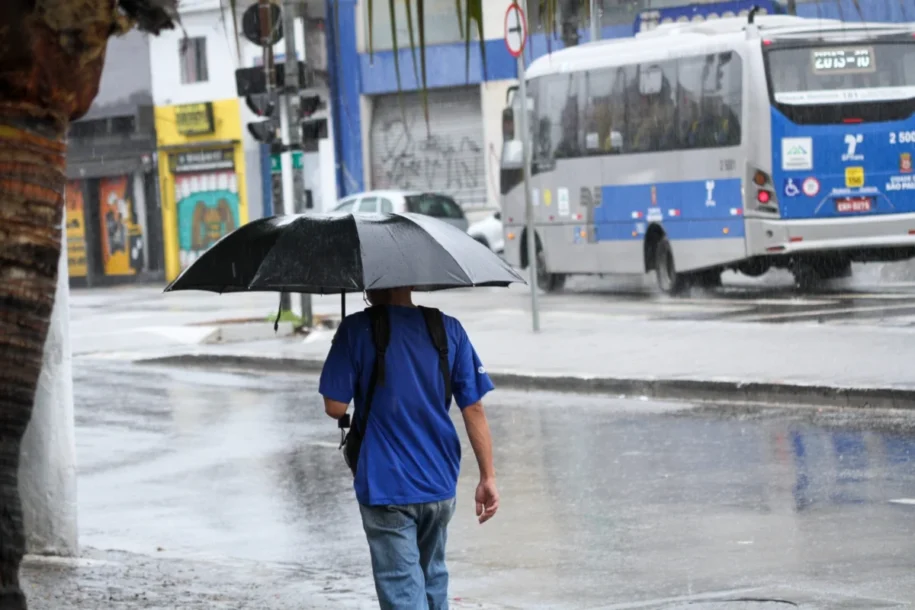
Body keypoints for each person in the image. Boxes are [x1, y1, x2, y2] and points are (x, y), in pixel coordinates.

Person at [319, 287, 499, 610]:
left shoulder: (356, 329)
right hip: (439, 485)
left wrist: (344, 349)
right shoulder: (448, 329)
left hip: (386, 487)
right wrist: (488, 476)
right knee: (433, 584)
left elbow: (335, 406)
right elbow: (473, 409)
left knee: (405, 597)